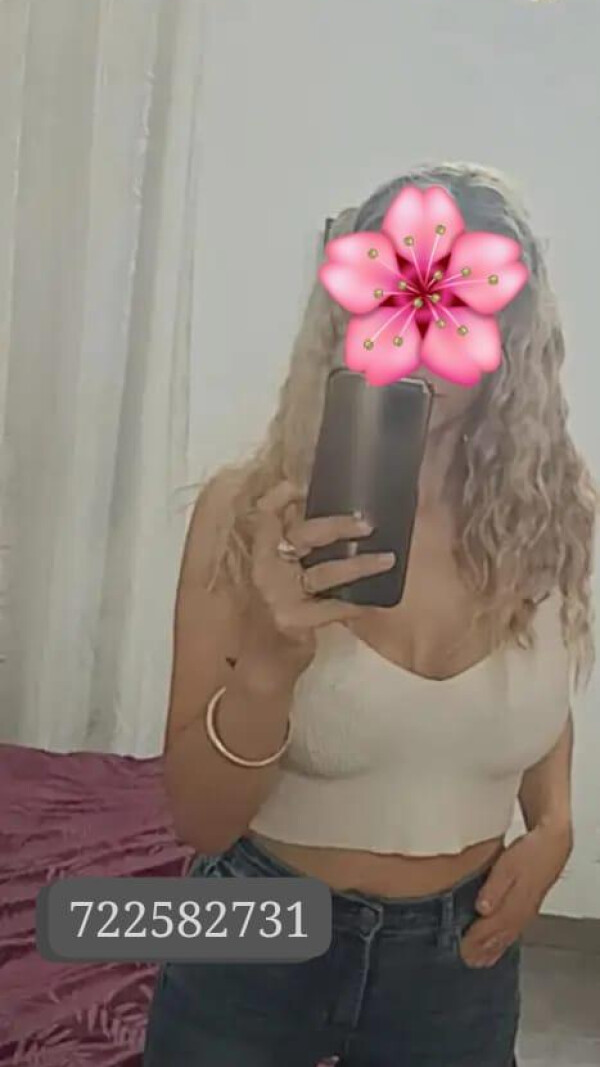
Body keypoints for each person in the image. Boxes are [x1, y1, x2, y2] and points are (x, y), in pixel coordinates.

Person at [143, 162, 597, 1067]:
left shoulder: (555, 518)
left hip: (459, 961)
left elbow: (540, 691)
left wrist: (554, 823)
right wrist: (269, 664)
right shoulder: (250, 513)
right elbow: (198, 819)